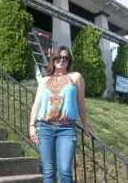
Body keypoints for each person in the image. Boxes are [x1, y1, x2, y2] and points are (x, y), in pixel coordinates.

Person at [29, 46, 94, 183]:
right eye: (58, 57)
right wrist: (32, 126)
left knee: (65, 171)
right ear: (53, 59)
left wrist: (85, 126)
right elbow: (37, 104)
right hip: (45, 128)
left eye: (65, 57)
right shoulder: (45, 81)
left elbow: (81, 103)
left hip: (67, 129)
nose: (62, 60)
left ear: (69, 61)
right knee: (49, 171)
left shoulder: (75, 77)